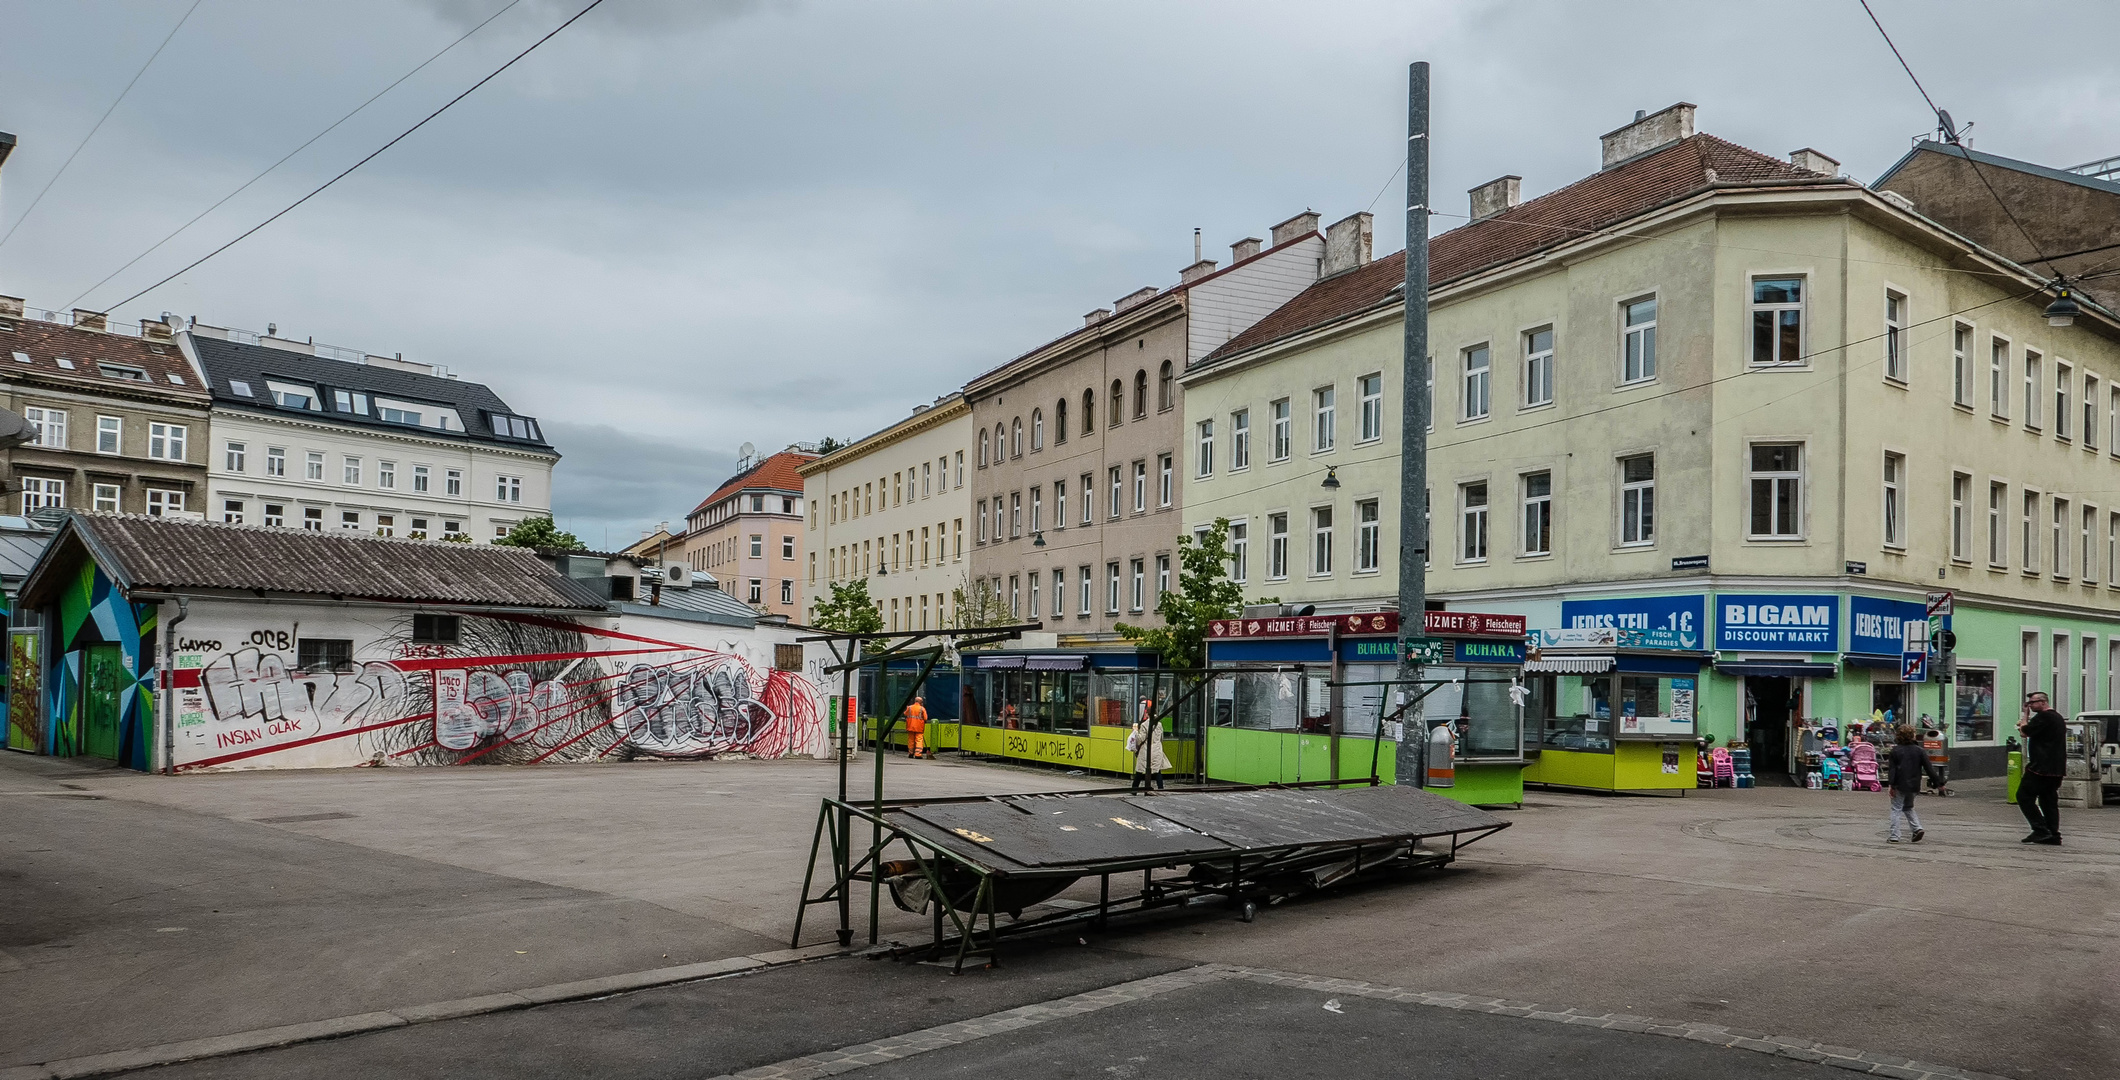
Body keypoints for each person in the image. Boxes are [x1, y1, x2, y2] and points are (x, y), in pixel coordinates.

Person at [2017, 691, 2066, 845]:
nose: (2030, 705)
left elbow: (2024, 732)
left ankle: (2040, 829)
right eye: (2029, 703)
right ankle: (2053, 834)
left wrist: (2024, 716)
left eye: (2033, 702)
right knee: (2048, 800)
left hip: (2041, 768)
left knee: (2024, 796)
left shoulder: (2044, 717)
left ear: (2044, 702)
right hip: (2056, 768)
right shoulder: (2057, 717)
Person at [1885, 725, 1927, 843]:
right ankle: (1917, 828)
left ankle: (1894, 835)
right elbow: (1928, 767)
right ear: (1912, 736)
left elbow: (1892, 770)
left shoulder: (1895, 751)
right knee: (1908, 807)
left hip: (1899, 784)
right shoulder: (1919, 751)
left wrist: (1891, 785)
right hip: (1914, 785)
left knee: (1896, 809)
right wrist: (1939, 783)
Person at [1126, 697, 1169, 793]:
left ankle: (1134, 790)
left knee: (1140, 770)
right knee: (1157, 770)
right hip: (1157, 749)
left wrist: (1135, 732)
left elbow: (1140, 739)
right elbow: (1162, 738)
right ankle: (1160, 789)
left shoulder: (1145, 724)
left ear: (1147, 713)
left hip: (1147, 750)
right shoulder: (1160, 724)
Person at [903, 694, 929, 760]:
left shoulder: (909, 707)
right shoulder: (922, 709)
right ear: (921, 702)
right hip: (919, 727)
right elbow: (925, 718)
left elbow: (905, 714)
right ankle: (918, 754)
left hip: (910, 726)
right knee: (919, 740)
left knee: (911, 740)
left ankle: (911, 753)